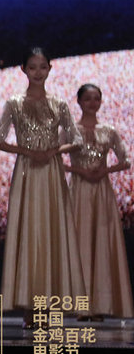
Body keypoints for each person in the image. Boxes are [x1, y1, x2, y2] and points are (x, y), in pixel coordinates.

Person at [0, 47, 85, 325]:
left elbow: (76, 140)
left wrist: (54, 150)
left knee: (52, 230)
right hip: (27, 173)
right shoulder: (14, 104)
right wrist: (29, 152)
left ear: (50, 69)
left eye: (43, 67)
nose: (38, 72)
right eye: (32, 67)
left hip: (52, 173)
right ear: (23, 70)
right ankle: (29, 306)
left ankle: (50, 304)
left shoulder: (59, 104)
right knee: (29, 231)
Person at [66, 84, 132, 320]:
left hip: (102, 192)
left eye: (96, 99)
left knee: (101, 242)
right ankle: (82, 306)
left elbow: (125, 160)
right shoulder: (71, 130)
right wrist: (79, 171)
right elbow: (52, 158)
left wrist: (105, 171)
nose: (92, 103)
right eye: (88, 99)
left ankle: (100, 305)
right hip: (79, 191)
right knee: (81, 242)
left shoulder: (109, 131)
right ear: (79, 102)